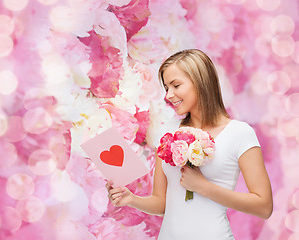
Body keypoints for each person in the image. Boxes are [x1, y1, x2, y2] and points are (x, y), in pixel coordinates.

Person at [106, 49, 273, 239]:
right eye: (167, 88)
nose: (169, 95)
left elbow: (264, 206)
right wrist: (132, 199)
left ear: (200, 82)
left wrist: (203, 187)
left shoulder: (239, 133)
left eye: (176, 85)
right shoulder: (166, 132)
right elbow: (162, 204)